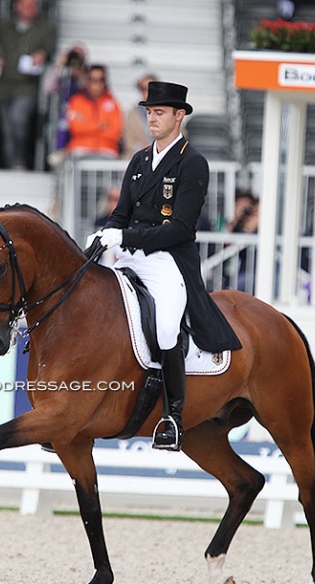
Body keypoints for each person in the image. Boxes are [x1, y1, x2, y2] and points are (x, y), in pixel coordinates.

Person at [85, 81, 241, 451]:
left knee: (168, 329)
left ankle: (173, 418)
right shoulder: (139, 160)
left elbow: (181, 229)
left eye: (159, 113)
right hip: (127, 257)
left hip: (168, 261)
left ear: (179, 116)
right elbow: (120, 214)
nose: (151, 119)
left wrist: (125, 238)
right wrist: (105, 234)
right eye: (149, 112)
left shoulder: (192, 162)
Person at [0, 0, 56, 169]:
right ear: (16, 6)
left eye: (33, 5)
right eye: (26, 4)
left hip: (27, 85)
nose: (30, 9)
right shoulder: (5, 27)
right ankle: (12, 164)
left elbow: (50, 48)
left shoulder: (44, 27)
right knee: (7, 131)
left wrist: (43, 54)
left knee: (19, 119)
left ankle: (19, 161)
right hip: (3, 86)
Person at [43, 42, 88, 164]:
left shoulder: (88, 74)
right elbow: (48, 88)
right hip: (64, 113)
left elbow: (90, 89)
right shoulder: (63, 73)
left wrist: (79, 73)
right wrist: (58, 65)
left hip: (81, 115)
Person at [66, 64, 123, 160]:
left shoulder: (113, 103)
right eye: (93, 80)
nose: (96, 84)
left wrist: (86, 123)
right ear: (87, 81)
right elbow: (75, 129)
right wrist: (100, 125)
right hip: (80, 148)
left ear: (105, 82)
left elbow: (115, 133)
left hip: (106, 149)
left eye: (100, 80)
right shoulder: (76, 102)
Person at [122, 73, 158, 160]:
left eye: (151, 88)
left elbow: (179, 134)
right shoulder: (132, 114)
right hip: (139, 158)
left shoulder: (168, 111)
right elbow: (129, 142)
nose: (147, 92)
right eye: (143, 88)